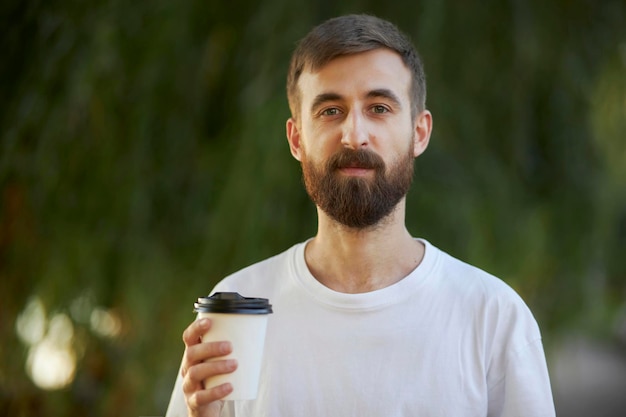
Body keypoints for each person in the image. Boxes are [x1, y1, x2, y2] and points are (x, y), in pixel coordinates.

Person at [165, 14, 555, 417]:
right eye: (330, 110)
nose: (354, 135)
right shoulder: (238, 306)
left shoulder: (493, 318)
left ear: (419, 133)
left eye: (379, 107)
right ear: (297, 138)